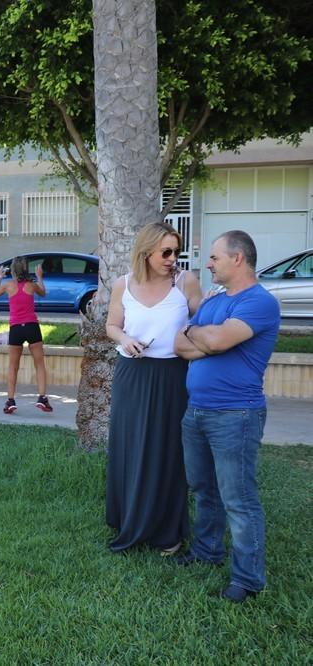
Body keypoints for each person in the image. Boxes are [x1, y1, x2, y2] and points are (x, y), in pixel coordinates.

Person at [173, 230, 281, 603]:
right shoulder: (215, 301)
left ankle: (248, 580)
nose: (208, 264)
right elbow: (180, 344)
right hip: (197, 411)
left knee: (239, 498)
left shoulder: (260, 302)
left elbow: (216, 341)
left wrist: (203, 336)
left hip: (236, 414)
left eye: (215, 257)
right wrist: (203, 335)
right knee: (204, 490)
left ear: (238, 259)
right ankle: (207, 552)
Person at [104, 222, 202, 554]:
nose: (173, 258)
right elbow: (112, 326)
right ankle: (128, 519)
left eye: (177, 251)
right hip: (131, 374)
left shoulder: (185, 282)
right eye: (166, 252)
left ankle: (166, 531)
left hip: (172, 376)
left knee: (167, 449)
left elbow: (203, 322)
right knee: (129, 445)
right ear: (146, 253)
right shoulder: (124, 284)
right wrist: (126, 339)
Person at [0, 257, 53, 414]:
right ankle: (42, 398)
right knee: (39, 364)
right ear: (26, 270)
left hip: (16, 328)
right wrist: (39, 276)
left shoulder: (8, 286)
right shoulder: (31, 286)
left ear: (12, 271)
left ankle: (10, 401)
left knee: (13, 366)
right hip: (32, 327)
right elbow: (43, 292)